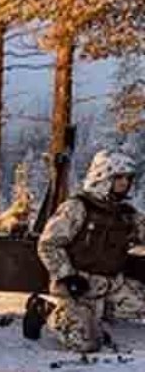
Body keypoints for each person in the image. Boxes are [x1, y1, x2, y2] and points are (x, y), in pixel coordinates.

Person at [24, 150, 145, 352]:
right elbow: (48, 244)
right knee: (85, 343)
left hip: (111, 285)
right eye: (119, 177)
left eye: (128, 178)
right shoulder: (77, 207)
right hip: (77, 286)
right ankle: (45, 309)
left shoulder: (126, 214)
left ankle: (96, 314)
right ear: (103, 176)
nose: (125, 183)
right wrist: (67, 276)